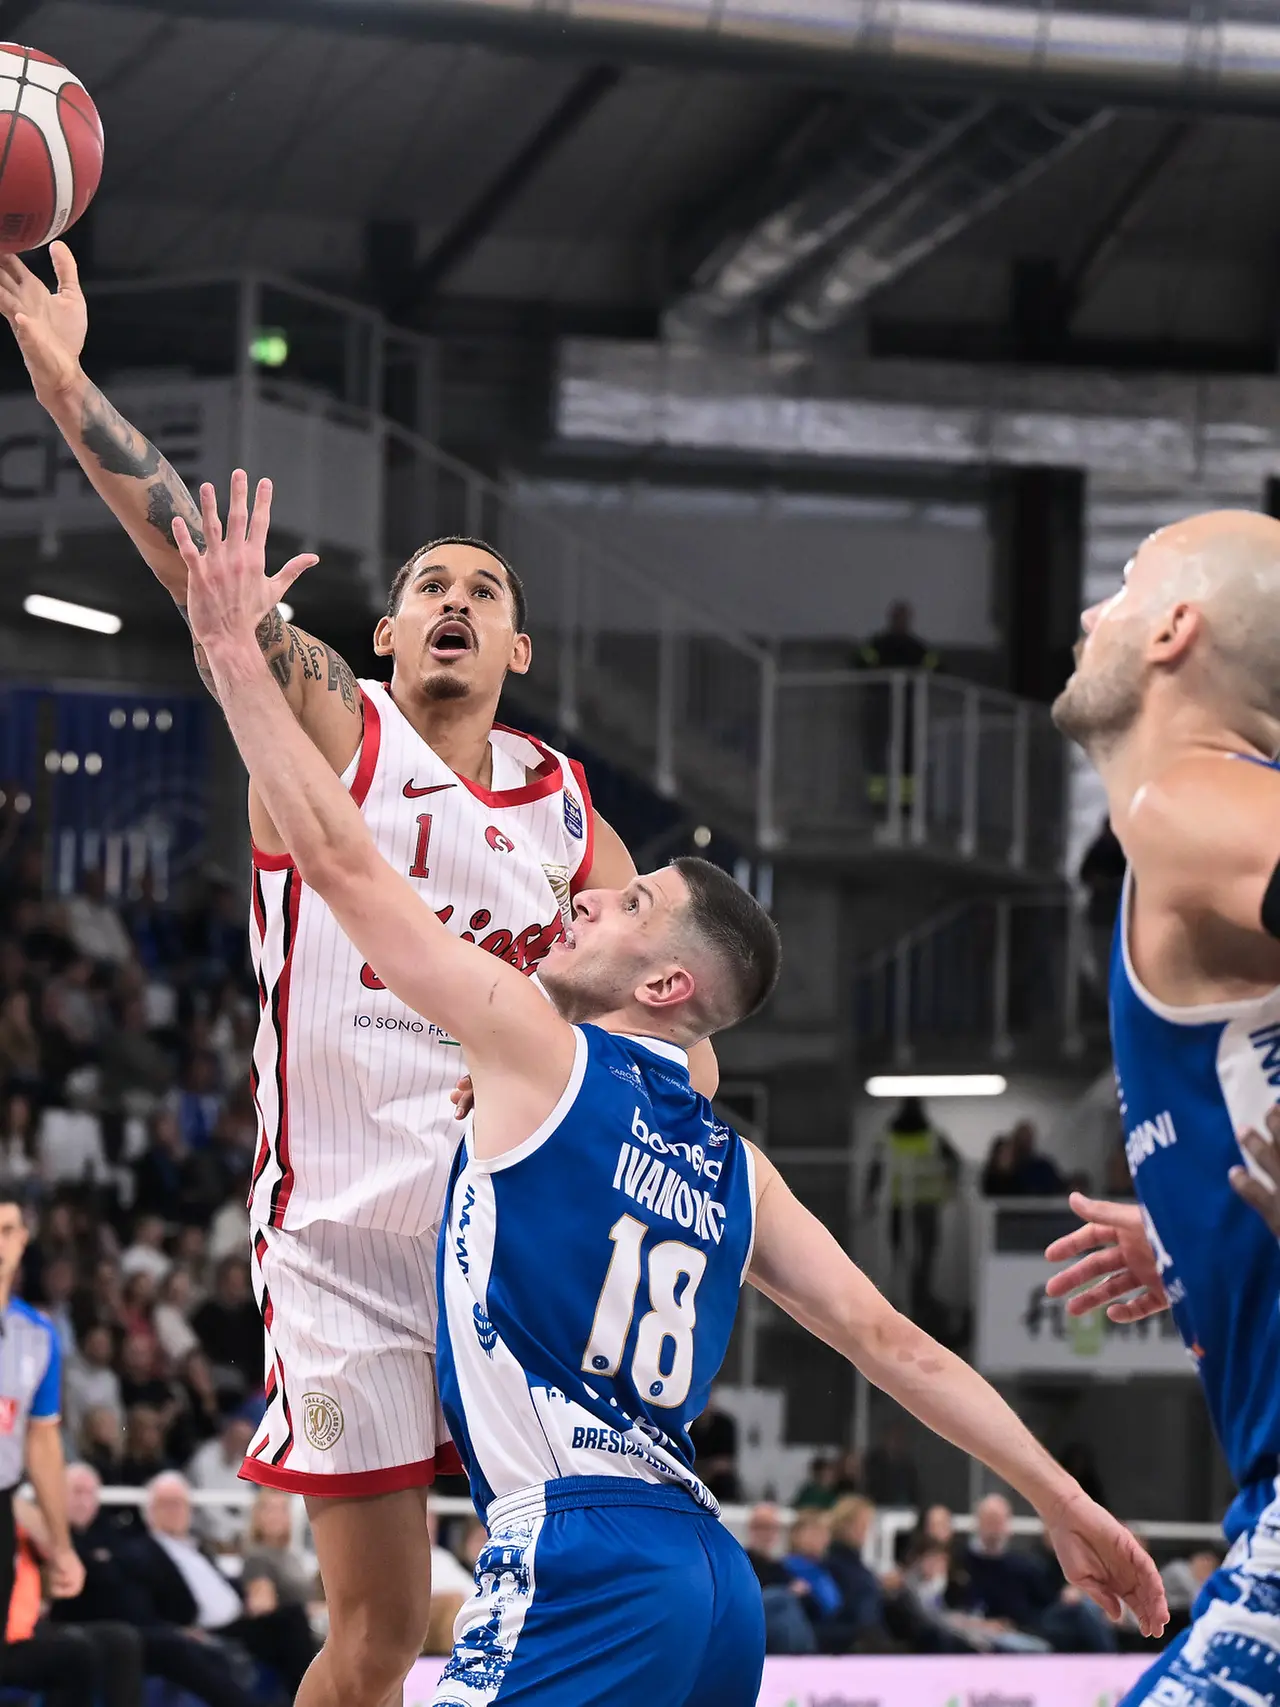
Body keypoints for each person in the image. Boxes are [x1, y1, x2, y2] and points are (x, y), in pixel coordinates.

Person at [176, 472, 1167, 1706]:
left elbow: (330, 853)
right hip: (710, 1577)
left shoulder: (530, 1055)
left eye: (628, 906)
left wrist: (229, 652)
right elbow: (891, 1343)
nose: (587, 896)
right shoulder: (731, 1163)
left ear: (661, 988)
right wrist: (1059, 1499)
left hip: (583, 1566)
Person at [0, 242, 718, 1707]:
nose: (455, 595)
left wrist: (658, 1073)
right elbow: (190, 558)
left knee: (578, 1586)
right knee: (379, 1631)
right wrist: (65, 376)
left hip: (511, 1240)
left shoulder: (570, 807)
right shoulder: (338, 725)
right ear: (384, 634)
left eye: (485, 585)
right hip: (343, 1249)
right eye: (427, 584)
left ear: (516, 642)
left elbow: (677, 1004)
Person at [1045, 508, 1280, 1703]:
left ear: (1172, 629)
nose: (1092, 612)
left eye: (1125, 584)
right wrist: (1202, 1234)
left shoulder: (1183, 807)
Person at [0, 1182, 84, 1618]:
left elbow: (42, 1443)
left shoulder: (38, 1335)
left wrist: (61, 1544)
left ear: (22, 1239)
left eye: (6, 1229)